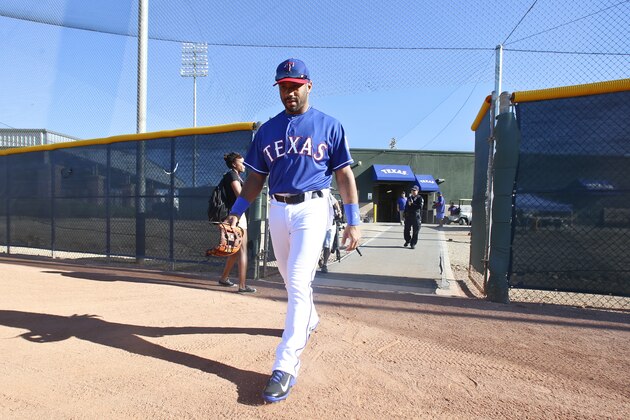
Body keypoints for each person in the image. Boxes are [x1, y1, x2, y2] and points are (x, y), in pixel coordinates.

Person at [225, 58, 361, 403]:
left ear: (308, 85)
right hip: (278, 208)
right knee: (288, 277)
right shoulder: (267, 130)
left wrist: (353, 219)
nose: (289, 91)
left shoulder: (329, 126)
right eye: (284, 86)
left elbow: (344, 175)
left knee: (299, 280)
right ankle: (311, 316)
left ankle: (285, 366)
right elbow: (255, 179)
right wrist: (235, 213)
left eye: (295, 85)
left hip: (314, 207)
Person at [217, 152, 257, 293]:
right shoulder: (232, 175)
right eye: (241, 162)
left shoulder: (234, 175)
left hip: (236, 215)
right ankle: (242, 286)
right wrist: (252, 189)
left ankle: (224, 278)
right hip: (235, 216)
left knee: (235, 250)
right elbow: (241, 196)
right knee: (243, 250)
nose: (244, 165)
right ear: (234, 164)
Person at [320, 194, 342, 273]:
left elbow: (335, 202)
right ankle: (319, 259)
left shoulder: (327, 194)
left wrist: (339, 211)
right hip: (318, 225)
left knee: (328, 245)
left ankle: (325, 264)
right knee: (318, 245)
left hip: (330, 223)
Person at [403, 185, 423, 249]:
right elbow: (406, 206)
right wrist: (404, 213)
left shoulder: (420, 198)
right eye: (412, 190)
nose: (413, 191)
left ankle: (413, 243)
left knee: (415, 231)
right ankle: (408, 240)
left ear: (417, 191)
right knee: (406, 230)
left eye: (414, 190)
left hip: (416, 216)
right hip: (408, 216)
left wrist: (412, 204)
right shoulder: (409, 198)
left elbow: (420, 207)